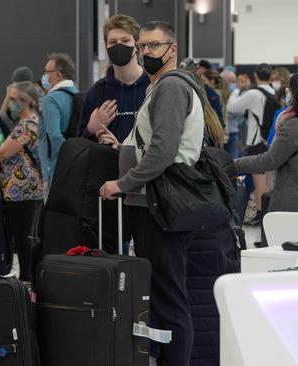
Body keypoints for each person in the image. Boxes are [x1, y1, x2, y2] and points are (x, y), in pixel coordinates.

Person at [98, 21, 206, 366]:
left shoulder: (171, 87)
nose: (146, 52)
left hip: (160, 204)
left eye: (154, 46)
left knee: (169, 299)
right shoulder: (159, 87)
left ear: (172, 49)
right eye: (142, 46)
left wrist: (122, 183)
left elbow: (162, 152)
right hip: (152, 202)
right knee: (161, 297)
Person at [235, 72, 298, 213]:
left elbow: (269, 161)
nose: (288, 94)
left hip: (291, 207)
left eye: (290, 90)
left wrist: (235, 164)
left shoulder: (293, 126)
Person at [0, 81, 44, 282]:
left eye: (13, 99)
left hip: (21, 192)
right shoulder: (33, 121)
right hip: (28, 190)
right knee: (25, 238)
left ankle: (27, 281)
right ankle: (28, 278)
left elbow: (1, 154)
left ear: (25, 101)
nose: (10, 103)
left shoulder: (25, 127)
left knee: (23, 239)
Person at [77, 14, 150, 143]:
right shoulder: (96, 93)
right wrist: (91, 129)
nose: (119, 46)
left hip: (144, 163)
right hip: (106, 162)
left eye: (125, 40)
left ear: (137, 45)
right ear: (106, 46)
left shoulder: (153, 87)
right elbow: (80, 146)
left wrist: (122, 150)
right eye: (113, 42)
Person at [227, 64, 276, 225]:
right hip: (268, 139)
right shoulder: (273, 91)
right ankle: (264, 214)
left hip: (256, 141)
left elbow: (232, 108)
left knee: (259, 180)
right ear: (271, 76)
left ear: (255, 76)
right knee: (267, 181)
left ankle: (261, 215)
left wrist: (236, 90)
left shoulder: (254, 93)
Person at [38, 52, 79, 187]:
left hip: (54, 168)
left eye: (47, 72)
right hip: (76, 165)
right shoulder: (77, 94)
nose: (45, 76)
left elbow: (54, 136)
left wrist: (66, 159)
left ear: (58, 74)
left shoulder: (50, 99)